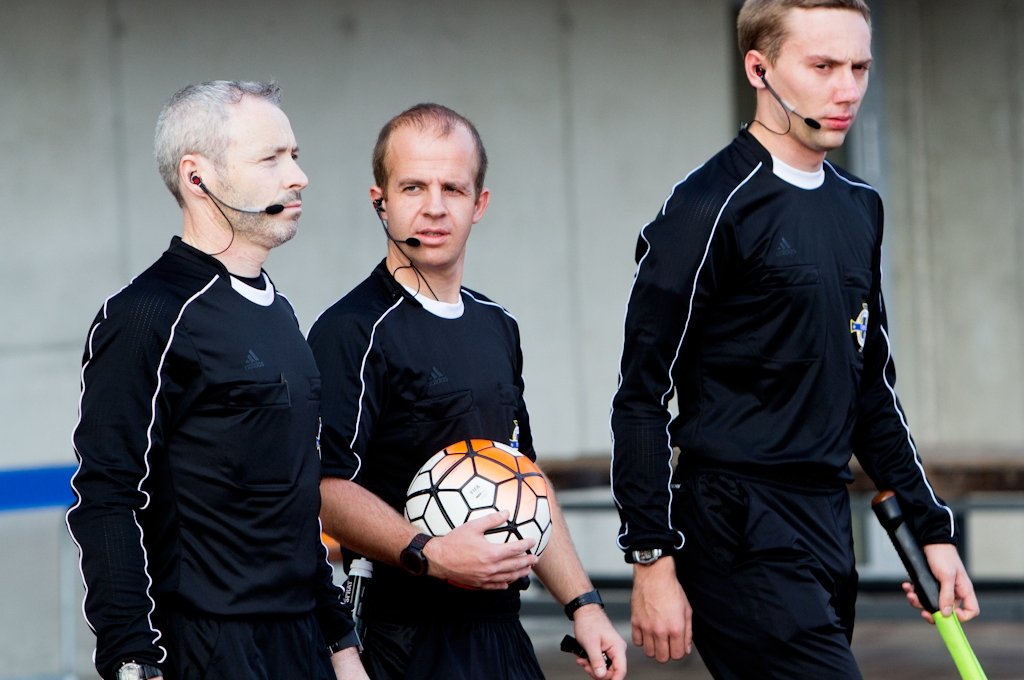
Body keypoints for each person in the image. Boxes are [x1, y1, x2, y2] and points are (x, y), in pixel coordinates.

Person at [609, 1, 980, 677]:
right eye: (823, 66)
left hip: (826, 522)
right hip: (734, 527)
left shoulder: (858, 205)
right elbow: (639, 396)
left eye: (860, 67)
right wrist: (650, 558)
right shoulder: (704, 208)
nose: (847, 90)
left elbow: (871, 392)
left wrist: (932, 529)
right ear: (760, 67)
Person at [308, 103, 627, 680]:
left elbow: (523, 478)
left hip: (502, 631)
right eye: (413, 187)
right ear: (380, 200)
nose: (433, 207)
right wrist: (429, 553)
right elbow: (325, 487)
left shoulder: (496, 325)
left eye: (452, 188)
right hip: (402, 636)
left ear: (479, 203)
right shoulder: (351, 330)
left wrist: (584, 605)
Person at [66, 80, 367, 680]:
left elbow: (294, 502)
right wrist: (132, 660)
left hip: (301, 646)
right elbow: (107, 495)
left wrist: (340, 643)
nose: (298, 176)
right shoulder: (148, 314)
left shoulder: (279, 313)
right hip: (203, 650)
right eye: (271, 158)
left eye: (295, 156)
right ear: (197, 176)